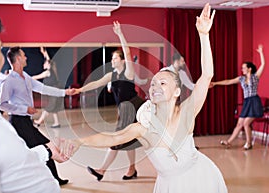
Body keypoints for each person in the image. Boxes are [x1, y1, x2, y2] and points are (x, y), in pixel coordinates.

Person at [60, 4, 227, 193]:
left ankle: (128, 168)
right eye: (154, 83)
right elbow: (113, 137)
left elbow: (206, 76)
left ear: (177, 92)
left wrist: (204, 36)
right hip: (171, 185)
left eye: (162, 83)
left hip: (201, 177)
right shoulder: (144, 128)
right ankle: (126, 168)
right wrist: (80, 141)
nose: (155, 86)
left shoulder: (187, 112)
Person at [0, 7, 70, 193]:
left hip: (24, 123)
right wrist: (25, 109)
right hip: (21, 120)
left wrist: (47, 152)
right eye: (0, 50)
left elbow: (10, 163)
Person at [71, 21, 144, 181]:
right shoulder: (112, 75)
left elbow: (128, 51)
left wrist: (120, 34)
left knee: (116, 139)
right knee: (128, 138)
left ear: (123, 61)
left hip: (132, 106)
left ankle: (102, 170)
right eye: (112, 58)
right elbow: (96, 83)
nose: (113, 60)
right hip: (125, 109)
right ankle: (132, 169)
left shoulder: (129, 72)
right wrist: (79, 90)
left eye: (116, 58)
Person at [0, 46, 74, 185]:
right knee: (46, 147)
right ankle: (53, 180)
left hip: (26, 122)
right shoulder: (9, 81)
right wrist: (25, 108)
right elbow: (2, 105)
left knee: (43, 148)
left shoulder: (25, 76)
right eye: (23, 55)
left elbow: (43, 88)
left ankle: (54, 179)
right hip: (18, 122)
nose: (26, 57)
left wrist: (64, 93)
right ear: (18, 59)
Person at [209, 44, 265, 150]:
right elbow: (229, 81)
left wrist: (261, 52)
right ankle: (229, 142)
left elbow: (263, 64)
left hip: (254, 102)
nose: (242, 69)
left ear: (249, 69)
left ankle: (248, 143)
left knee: (246, 123)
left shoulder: (255, 77)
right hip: (247, 102)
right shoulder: (241, 79)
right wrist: (215, 83)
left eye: (243, 68)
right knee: (240, 123)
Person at [33, 47, 63, 128]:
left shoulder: (47, 72)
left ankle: (38, 122)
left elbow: (35, 77)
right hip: (55, 91)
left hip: (54, 92)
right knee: (54, 108)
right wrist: (44, 52)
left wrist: (25, 77)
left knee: (49, 107)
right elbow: (48, 59)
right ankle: (56, 123)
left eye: (44, 63)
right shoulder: (52, 70)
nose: (43, 64)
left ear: (48, 65)